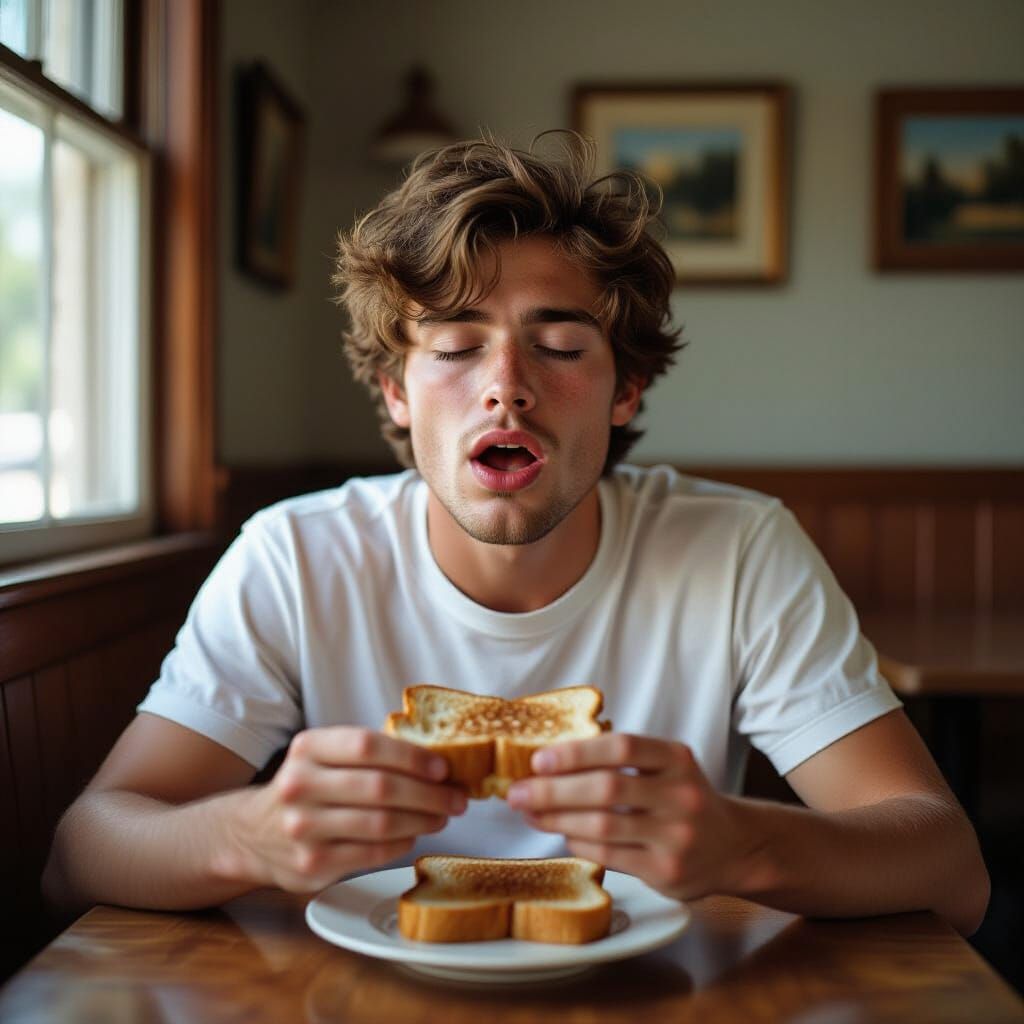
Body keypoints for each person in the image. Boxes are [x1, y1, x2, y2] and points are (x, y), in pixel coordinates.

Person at [43, 132, 989, 935]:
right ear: (397, 392)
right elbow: (83, 852)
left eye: (562, 345)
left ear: (626, 389)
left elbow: (952, 870)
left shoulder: (737, 549)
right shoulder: (296, 556)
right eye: (453, 348)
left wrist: (742, 844)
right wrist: (243, 835)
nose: (504, 385)